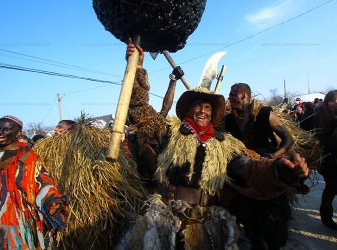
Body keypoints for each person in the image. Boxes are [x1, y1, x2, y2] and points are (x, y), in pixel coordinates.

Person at [125, 39, 310, 249]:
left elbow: (249, 169)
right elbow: (141, 112)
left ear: (213, 115)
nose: (203, 111)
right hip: (166, 219)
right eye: (197, 106)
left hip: (206, 224)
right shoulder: (169, 131)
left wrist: (280, 168)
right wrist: (138, 68)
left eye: (208, 108)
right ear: (187, 111)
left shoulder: (224, 145)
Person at [222, 83, 296, 249]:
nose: (229, 98)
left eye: (232, 95)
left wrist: (274, 156)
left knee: (274, 221)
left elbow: (288, 139)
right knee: (249, 217)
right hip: (245, 176)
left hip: (267, 174)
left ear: (243, 95)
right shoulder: (228, 120)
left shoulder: (265, 114)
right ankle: (255, 242)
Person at [0, 115, 69, 249]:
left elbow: (43, 181)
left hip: (13, 218)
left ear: (18, 133)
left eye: (6, 129)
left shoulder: (28, 158)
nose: (0, 131)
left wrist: (51, 200)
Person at [313, 90, 337, 230]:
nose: (335, 103)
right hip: (328, 159)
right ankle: (326, 217)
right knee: (332, 188)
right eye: (332, 100)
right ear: (327, 102)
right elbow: (319, 137)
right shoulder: (320, 116)